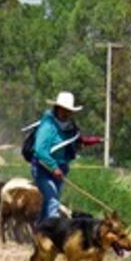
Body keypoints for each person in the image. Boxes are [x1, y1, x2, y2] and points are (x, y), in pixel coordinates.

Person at [32, 91, 87, 220]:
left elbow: (67, 146)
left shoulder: (69, 127)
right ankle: (53, 233)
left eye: (69, 110)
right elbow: (40, 150)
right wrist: (53, 167)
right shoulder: (48, 126)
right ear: (57, 108)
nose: (66, 113)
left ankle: (40, 231)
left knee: (50, 200)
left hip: (61, 168)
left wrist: (76, 148)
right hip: (43, 168)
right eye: (64, 110)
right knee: (52, 200)